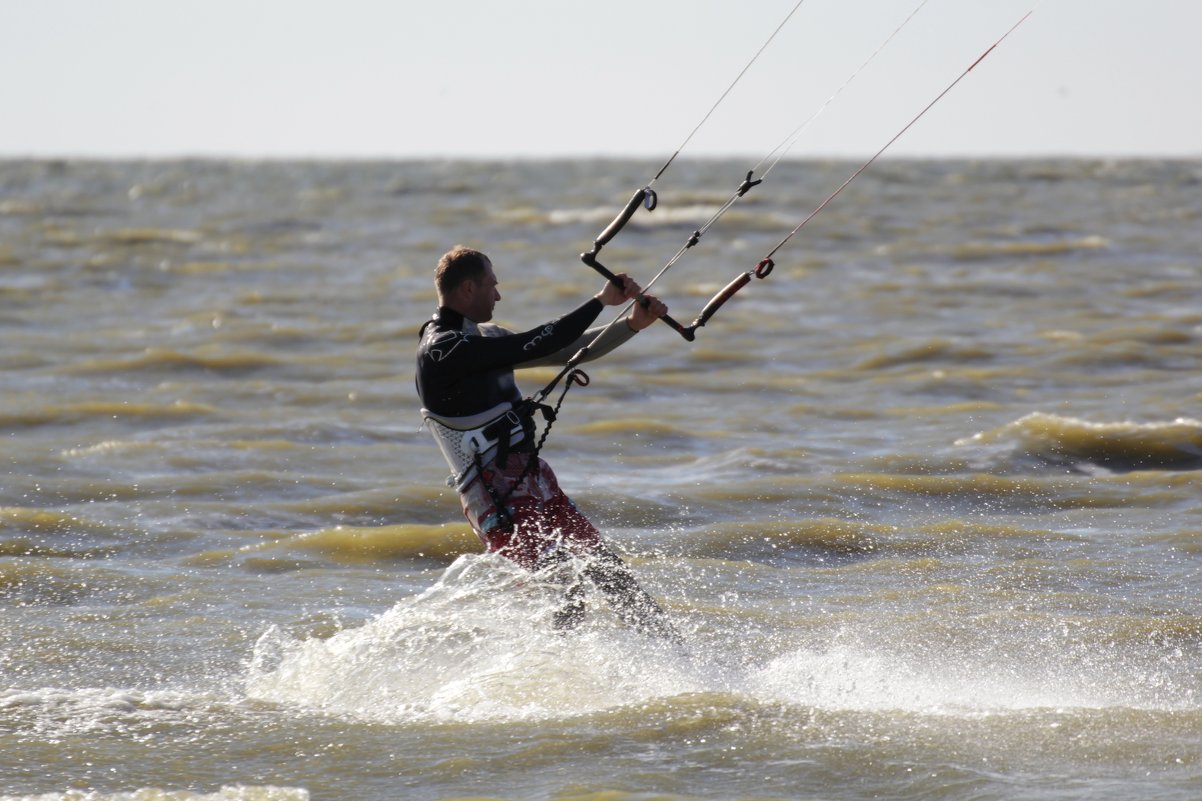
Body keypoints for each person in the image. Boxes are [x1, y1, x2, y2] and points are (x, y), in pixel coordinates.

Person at [416, 245, 681, 642]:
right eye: (493, 285)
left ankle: (679, 657)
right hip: (494, 495)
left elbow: (563, 351)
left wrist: (631, 324)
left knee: (608, 571)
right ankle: (557, 681)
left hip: (534, 478)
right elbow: (538, 342)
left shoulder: (484, 338)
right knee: (565, 590)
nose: (499, 295)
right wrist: (600, 302)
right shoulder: (443, 349)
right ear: (468, 289)